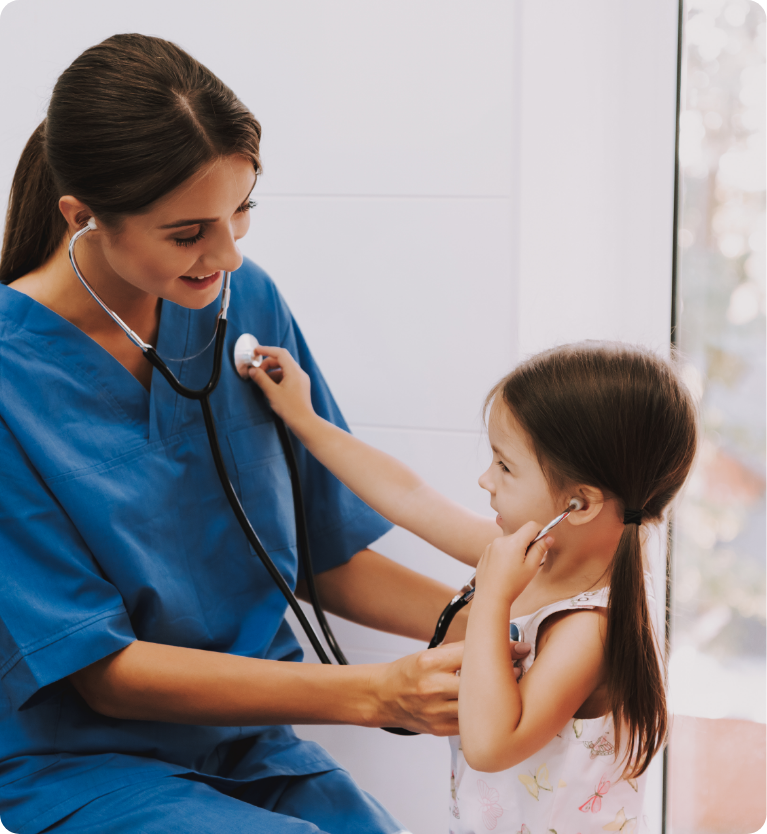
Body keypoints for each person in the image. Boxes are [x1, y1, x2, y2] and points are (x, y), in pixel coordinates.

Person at [0, 34, 532, 834]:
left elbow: (327, 558)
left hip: (247, 747)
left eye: (240, 211)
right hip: (74, 764)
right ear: (84, 217)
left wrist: (508, 633)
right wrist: (375, 693)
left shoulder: (240, 304)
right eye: (187, 233)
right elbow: (104, 674)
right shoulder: (12, 380)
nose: (226, 253)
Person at [248, 340, 698, 833]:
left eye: (505, 466)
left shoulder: (587, 629)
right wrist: (305, 420)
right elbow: (410, 497)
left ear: (580, 505)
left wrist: (494, 598)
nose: (485, 480)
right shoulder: (538, 558)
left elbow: (490, 747)